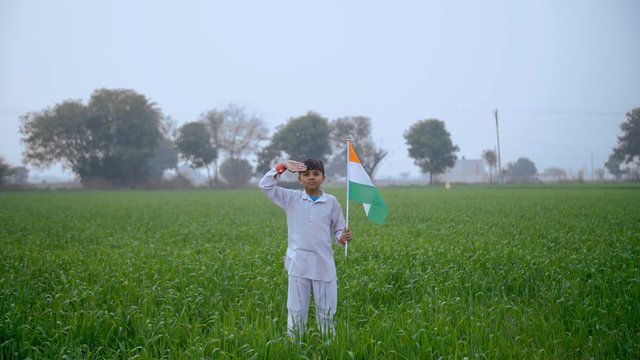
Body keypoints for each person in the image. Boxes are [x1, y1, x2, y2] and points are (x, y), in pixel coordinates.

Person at [259, 158, 352, 339]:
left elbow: (339, 229)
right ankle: (294, 348)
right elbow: (265, 186)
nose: (311, 178)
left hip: (323, 265)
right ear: (299, 179)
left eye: (316, 174)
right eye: (306, 174)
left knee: (326, 312)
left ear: (323, 177)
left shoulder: (331, 202)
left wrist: (343, 237)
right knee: (296, 311)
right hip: (298, 264)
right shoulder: (291, 198)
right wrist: (283, 166)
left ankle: (328, 347)